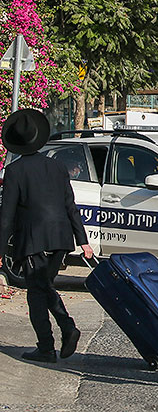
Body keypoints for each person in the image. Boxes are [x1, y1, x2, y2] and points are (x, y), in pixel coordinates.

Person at [0, 109, 94, 363]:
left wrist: (0, 253)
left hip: (34, 240)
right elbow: (70, 205)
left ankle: (60, 334)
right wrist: (82, 239)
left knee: (37, 290)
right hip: (61, 238)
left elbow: (6, 216)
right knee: (42, 287)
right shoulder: (57, 166)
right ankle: (51, 342)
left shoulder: (15, 171)